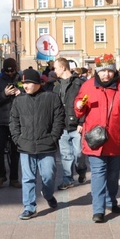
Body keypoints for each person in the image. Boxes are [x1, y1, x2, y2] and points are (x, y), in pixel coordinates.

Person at [75, 54, 120, 223]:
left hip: (115, 137)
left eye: (109, 71)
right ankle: (98, 209)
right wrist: (79, 106)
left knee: (113, 173)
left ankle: (111, 201)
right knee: (98, 173)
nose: (106, 75)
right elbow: (79, 106)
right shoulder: (88, 86)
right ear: (97, 71)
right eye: (102, 71)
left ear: (114, 71)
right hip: (95, 138)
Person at [10, 69, 65, 220]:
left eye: (28, 83)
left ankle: (47, 194)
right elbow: (13, 121)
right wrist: (17, 138)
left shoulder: (52, 98)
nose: (25, 86)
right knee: (28, 178)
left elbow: (59, 119)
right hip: (25, 145)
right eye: (23, 83)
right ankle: (29, 207)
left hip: (46, 144)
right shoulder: (19, 101)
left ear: (37, 83)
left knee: (48, 175)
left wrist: (53, 137)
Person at [0, 57, 22, 188]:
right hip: (1, 120)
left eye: (11, 71)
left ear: (15, 69)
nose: (9, 74)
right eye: (7, 71)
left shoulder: (20, 79)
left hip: (16, 120)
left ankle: (14, 178)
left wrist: (21, 93)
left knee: (15, 151)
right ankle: (0, 176)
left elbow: (30, 95)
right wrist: (4, 94)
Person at [53, 57, 87, 190]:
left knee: (79, 153)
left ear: (63, 67)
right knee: (66, 155)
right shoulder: (56, 87)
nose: (54, 71)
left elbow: (85, 103)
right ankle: (67, 179)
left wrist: (82, 121)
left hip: (76, 125)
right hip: (62, 126)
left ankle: (82, 169)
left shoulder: (79, 83)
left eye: (56, 68)